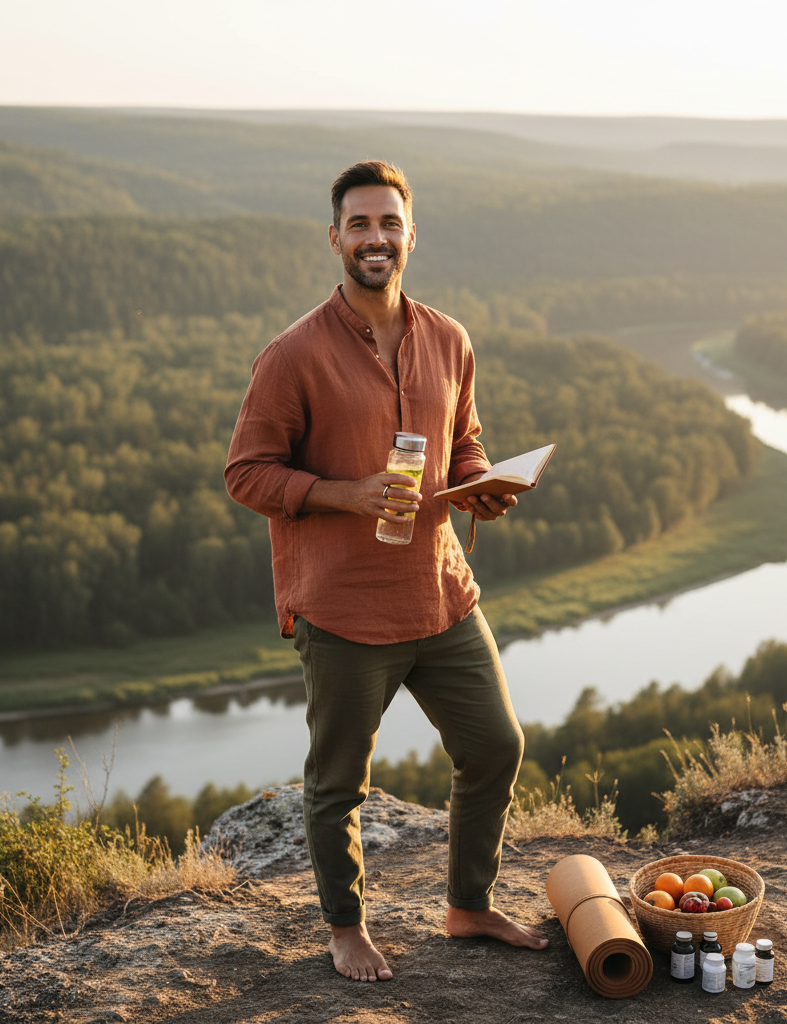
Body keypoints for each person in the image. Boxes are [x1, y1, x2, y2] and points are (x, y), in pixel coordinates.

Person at [225, 160, 548, 982]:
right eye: (360, 225)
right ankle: (345, 927)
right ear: (335, 238)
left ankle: (467, 906)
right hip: (342, 610)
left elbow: (463, 439)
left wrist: (480, 486)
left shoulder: (448, 339)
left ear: (411, 235)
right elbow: (247, 474)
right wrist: (346, 494)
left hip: (441, 593)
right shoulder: (292, 354)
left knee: (496, 747)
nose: (376, 238)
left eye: (390, 224)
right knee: (340, 783)